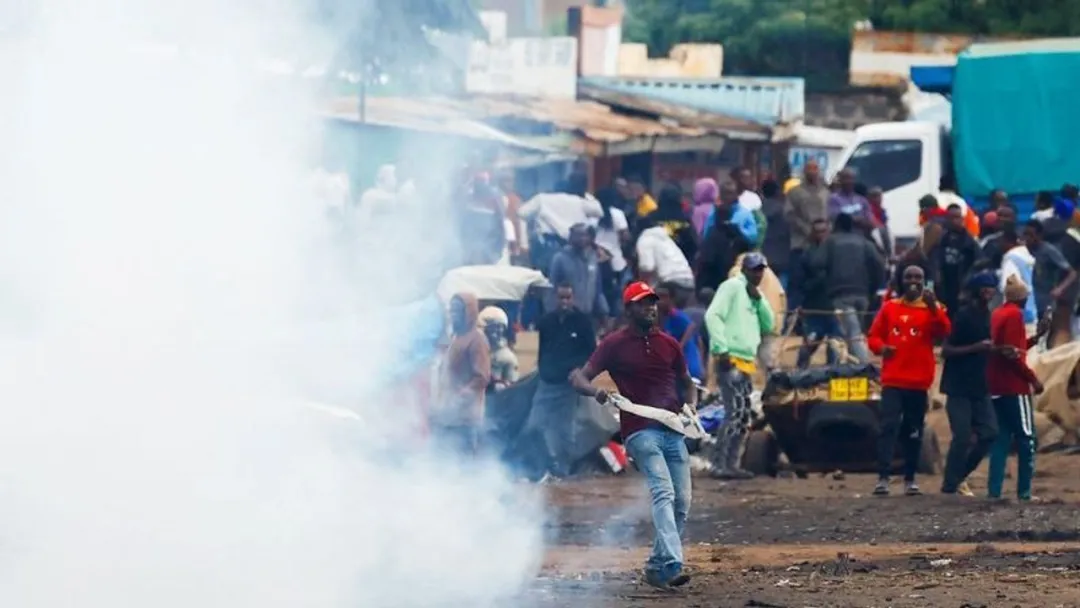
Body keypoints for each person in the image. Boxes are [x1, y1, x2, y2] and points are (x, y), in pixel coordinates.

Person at [569, 282, 695, 590]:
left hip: (672, 429)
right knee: (664, 492)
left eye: (652, 302)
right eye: (643, 303)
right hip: (640, 431)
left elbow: (687, 382)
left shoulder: (669, 344)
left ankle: (657, 567)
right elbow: (579, 378)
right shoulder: (614, 344)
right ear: (629, 309)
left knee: (682, 501)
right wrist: (597, 393)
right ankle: (673, 562)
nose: (650, 308)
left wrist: (691, 406)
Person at [867, 265, 951, 496]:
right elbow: (873, 336)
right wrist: (882, 348)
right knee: (888, 427)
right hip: (893, 380)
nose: (913, 281)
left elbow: (944, 331)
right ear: (901, 281)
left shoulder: (934, 308)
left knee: (913, 430)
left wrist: (933, 307)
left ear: (925, 281)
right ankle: (883, 478)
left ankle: (910, 479)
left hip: (918, 382)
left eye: (918, 277)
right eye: (909, 277)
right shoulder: (889, 308)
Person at [705, 253, 775, 480]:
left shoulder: (753, 295)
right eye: (754, 269)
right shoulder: (732, 286)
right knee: (734, 412)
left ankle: (731, 464)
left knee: (743, 415)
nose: (758, 274)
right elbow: (713, 315)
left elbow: (769, 325)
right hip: (730, 359)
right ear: (744, 270)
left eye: (761, 269)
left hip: (746, 362)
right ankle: (719, 464)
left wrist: (759, 300)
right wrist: (720, 348)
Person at [939, 273, 1000, 496]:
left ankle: (959, 476)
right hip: (958, 387)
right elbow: (946, 350)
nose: (989, 291)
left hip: (980, 386)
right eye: (985, 287)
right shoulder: (963, 316)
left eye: (992, 287)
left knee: (990, 433)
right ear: (976, 290)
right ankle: (949, 486)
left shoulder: (989, 316)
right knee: (962, 436)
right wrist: (976, 348)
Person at [527, 283, 597, 479]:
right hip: (546, 383)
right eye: (561, 298)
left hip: (568, 385)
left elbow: (592, 352)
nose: (564, 302)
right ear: (555, 299)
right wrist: (541, 368)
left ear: (573, 298)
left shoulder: (582, 322)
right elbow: (541, 349)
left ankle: (564, 472)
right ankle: (545, 465)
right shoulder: (546, 321)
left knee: (564, 430)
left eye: (568, 297)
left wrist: (580, 370)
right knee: (534, 426)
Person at [987, 277, 1045, 501]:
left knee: (1001, 439)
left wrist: (1035, 339)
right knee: (1026, 437)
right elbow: (1014, 356)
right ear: (1022, 298)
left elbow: (1012, 348)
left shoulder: (998, 313)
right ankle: (1024, 491)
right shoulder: (1014, 316)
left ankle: (994, 490)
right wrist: (1033, 380)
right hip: (1014, 386)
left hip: (996, 385)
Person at [823, 213, 884, 364]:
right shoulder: (864, 242)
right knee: (853, 332)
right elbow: (879, 264)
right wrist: (873, 289)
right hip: (862, 295)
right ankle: (852, 367)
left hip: (840, 294)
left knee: (852, 333)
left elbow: (817, 264)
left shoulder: (830, 242)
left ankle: (863, 366)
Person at [435, 292, 491, 456]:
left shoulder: (476, 340)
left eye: (457, 311)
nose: (453, 315)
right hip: (448, 415)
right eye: (451, 310)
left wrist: (461, 396)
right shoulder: (455, 337)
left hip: (466, 418)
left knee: (464, 460)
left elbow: (481, 377)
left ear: (469, 312)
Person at [784, 159, 829, 315]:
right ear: (804, 171)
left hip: (822, 245)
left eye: (815, 168)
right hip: (801, 244)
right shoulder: (795, 192)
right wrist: (806, 230)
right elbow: (789, 214)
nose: (812, 172)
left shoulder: (826, 192)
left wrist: (825, 232)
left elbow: (831, 215)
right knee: (797, 283)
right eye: (809, 168)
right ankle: (793, 318)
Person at [1023, 219, 1077, 347]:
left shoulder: (1048, 250)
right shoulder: (1023, 252)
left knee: (1045, 335)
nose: (1027, 238)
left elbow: (1072, 273)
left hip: (1045, 300)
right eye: (1026, 234)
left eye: (1031, 235)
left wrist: (1060, 289)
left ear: (1039, 236)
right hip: (1030, 300)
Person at [796, 219, 839, 368]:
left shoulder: (836, 252)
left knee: (834, 346)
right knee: (809, 344)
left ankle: (833, 372)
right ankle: (800, 373)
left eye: (823, 231)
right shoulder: (807, 254)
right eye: (818, 231)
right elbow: (800, 282)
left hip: (833, 306)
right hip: (813, 307)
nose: (821, 235)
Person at [549, 223, 610, 323]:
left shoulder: (593, 258)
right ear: (571, 237)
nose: (582, 238)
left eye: (585, 235)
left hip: (588, 316)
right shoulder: (560, 259)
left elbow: (598, 289)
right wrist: (552, 315)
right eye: (578, 235)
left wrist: (604, 311)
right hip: (566, 316)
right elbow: (552, 289)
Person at [930, 203, 981, 316]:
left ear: (962, 219)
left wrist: (967, 289)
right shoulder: (940, 240)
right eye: (951, 217)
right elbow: (932, 263)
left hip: (961, 289)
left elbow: (978, 265)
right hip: (943, 289)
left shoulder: (970, 242)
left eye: (957, 217)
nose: (954, 221)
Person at [592, 187, 632, 316]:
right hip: (616, 262)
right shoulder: (618, 214)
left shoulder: (592, 215)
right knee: (615, 295)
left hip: (596, 260)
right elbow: (625, 237)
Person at [635, 215, 696, 295]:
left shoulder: (644, 239)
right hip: (689, 279)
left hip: (670, 282)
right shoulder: (666, 238)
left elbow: (646, 267)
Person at [656, 284, 704, 382]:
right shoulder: (660, 318)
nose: (660, 300)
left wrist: (679, 348)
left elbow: (690, 327)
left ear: (671, 299)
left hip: (687, 367)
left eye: (664, 296)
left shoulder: (676, 315)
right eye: (658, 296)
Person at [652, 182, 699, 264]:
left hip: (655, 264)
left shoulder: (650, 219)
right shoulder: (685, 221)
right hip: (679, 264)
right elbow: (694, 246)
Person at [478, 306, 519, 393]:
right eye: (493, 326)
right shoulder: (473, 351)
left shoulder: (507, 357)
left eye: (500, 327)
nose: (498, 330)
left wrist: (500, 385)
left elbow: (512, 388)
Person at [702, 180, 757, 245]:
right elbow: (706, 236)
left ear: (736, 194)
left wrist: (738, 231)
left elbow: (753, 237)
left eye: (730, 193)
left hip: (739, 249)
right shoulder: (714, 213)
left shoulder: (745, 213)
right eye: (724, 193)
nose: (727, 197)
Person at [760, 179, 791, 287]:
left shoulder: (759, 210)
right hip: (782, 254)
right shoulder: (782, 210)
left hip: (764, 252)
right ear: (777, 192)